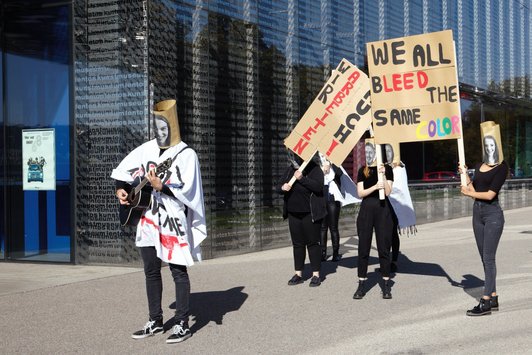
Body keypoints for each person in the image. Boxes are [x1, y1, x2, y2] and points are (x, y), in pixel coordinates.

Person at [111, 99, 206, 343]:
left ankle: (183, 322)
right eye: (157, 128)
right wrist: (120, 190)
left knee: (178, 270)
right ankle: (155, 320)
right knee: (151, 271)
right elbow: (122, 173)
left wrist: (162, 187)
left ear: (173, 127)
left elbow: (191, 193)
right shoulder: (147, 149)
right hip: (148, 218)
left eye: (164, 128)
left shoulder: (186, 154)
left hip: (173, 218)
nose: (159, 132)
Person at [460, 155, 509, 316]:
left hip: (492, 215)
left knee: (489, 258)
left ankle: (486, 301)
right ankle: (493, 297)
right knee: (484, 258)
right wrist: (465, 174)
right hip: (477, 214)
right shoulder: (479, 164)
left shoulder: (502, 167)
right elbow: (475, 191)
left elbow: (489, 195)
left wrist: (467, 193)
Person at [353, 140, 394, 300]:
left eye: (372, 150)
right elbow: (360, 193)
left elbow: (389, 191)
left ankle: (385, 285)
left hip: (383, 210)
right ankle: (361, 284)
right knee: (363, 248)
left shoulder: (388, 169)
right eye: (367, 151)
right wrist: (374, 187)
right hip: (366, 211)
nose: (369, 153)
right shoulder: (362, 170)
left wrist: (382, 176)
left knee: (383, 248)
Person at [281, 151, 326, 287]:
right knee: (298, 244)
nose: (296, 156)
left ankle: (316, 275)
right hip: (294, 213)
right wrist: (283, 187)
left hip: (309, 213)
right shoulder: (290, 170)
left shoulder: (314, 169)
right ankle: (298, 274)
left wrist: (302, 179)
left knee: (312, 243)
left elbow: (318, 187)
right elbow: (279, 185)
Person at [319, 154, 343, 262]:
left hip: (333, 199)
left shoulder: (335, 162)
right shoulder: (318, 164)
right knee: (323, 227)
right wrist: (322, 171)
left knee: (333, 227)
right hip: (322, 198)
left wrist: (332, 164)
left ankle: (335, 253)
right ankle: (322, 253)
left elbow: (340, 173)